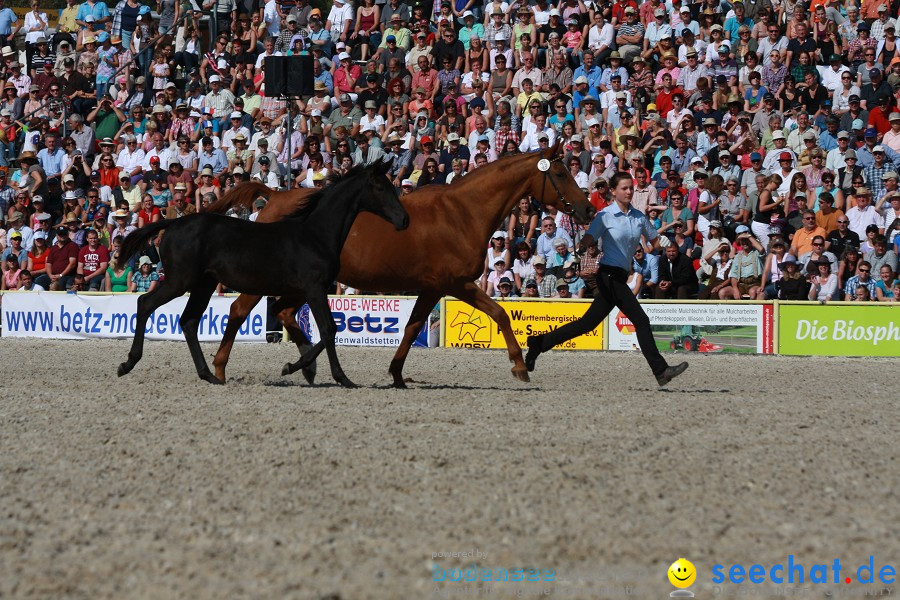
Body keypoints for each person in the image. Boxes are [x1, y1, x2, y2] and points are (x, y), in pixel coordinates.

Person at [525, 172, 688, 387]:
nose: (629, 191)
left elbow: (654, 242)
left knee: (586, 324)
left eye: (631, 188)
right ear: (613, 191)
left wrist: (664, 243)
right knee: (641, 320)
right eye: (624, 188)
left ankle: (538, 342)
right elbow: (590, 237)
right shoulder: (605, 216)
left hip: (619, 275)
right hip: (608, 275)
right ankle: (661, 370)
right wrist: (583, 244)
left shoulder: (639, 217)